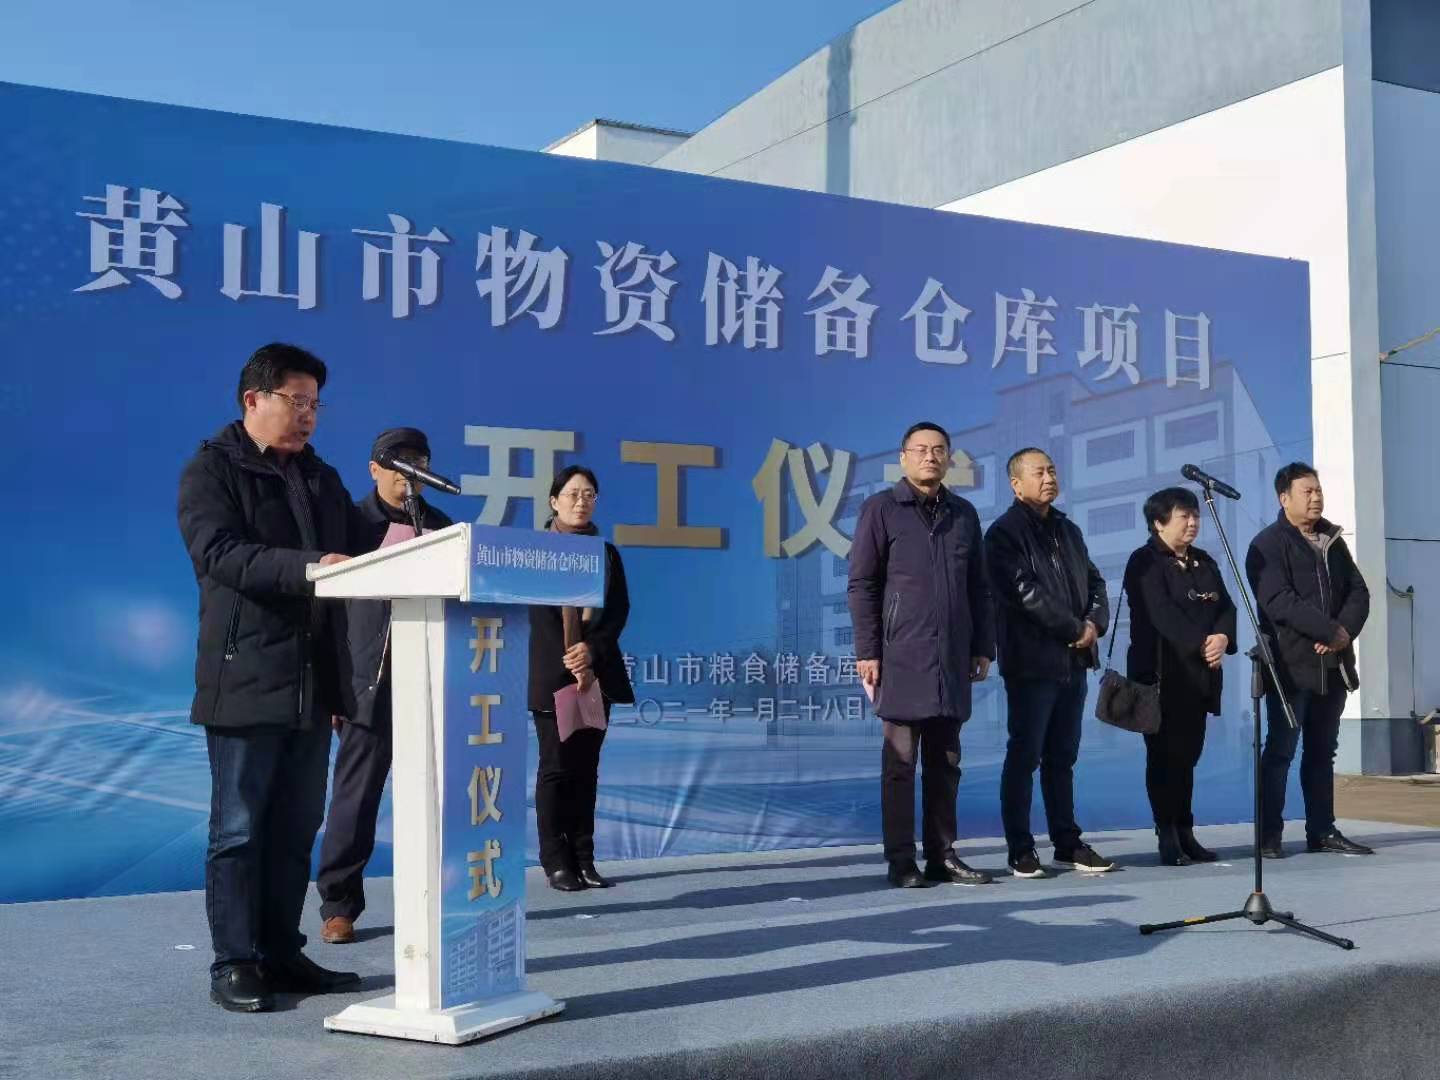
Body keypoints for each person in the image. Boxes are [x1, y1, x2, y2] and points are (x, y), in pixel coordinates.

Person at [176, 342, 365, 1013]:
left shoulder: (321, 477)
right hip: (245, 678)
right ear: (253, 399)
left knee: (294, 828)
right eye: (297, 400)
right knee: (238, 830)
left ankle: (282, 951)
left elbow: (361, 549)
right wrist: (311, 567)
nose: (308, 414)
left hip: (311, 686)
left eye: (315, 403)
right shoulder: (212, 470)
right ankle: (234, 961)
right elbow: (221, 554)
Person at [316, 428, 454, 945]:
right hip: (366, 681)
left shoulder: (442, 528)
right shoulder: (351, 524)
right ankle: (339, 905)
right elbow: (328, 612)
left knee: (439, 795)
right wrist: (334, 685)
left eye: (419, 461)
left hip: (431, 680)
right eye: (398, 462)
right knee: (355, 798)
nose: (408, 472)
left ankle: (439, 896)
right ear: (374, 469)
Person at [848, 422, 995, 889]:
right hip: (901, 655)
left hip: (952, 657)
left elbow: (979, 586)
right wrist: (868, 650)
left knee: (945, 763)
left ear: (949, 458)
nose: (930, 456)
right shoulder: (881, 509)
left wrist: (982, 645)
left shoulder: (963, 514)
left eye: (939, 450)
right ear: (903, 457)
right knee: (899, 765)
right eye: (921, 449)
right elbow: (862, 584)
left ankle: (942, 855)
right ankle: (900, 860)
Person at [984, 448, 1114, 878]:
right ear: (1016, 483)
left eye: (1052, 470)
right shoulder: (1003, 534)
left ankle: (1067, 843)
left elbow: (1095, 582)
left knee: (1063, 758)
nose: (1049, 478)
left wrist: (1094, 623)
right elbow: (1023, 593)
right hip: (1032, 663)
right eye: (1039, 472)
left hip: (1074, 661)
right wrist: (1073, 628)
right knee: (1025, 757)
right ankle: (1020, 849)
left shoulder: (1068, 529)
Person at [1246, 462, 1372, 858]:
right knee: (1281, 751)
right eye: (1308, 491)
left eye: (1318, 490)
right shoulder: (1267, 545)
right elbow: (1278, 601)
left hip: (1333, 665)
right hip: (1290, 667)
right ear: (1284, 498)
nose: (1316, 498)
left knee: (1322, 753)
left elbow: (1359, 592)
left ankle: (1322, 831)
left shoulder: (1332, 540)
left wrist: (1342, 633)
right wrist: (1326, 630)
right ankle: (1269, 835)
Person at [527, 466, 635, 891]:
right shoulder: (533, 553)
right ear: (554, 501)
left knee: (586, 770)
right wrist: (569, 654)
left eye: (589, 494)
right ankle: (556, 861)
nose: (581, 501)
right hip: (553, 675)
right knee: (556, 769)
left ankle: (584, 858)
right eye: (572, 493)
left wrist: (591, 649)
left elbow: (618, 610)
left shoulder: (606, 554)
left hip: (595, 675)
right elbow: (535, 616)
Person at [1122, 487, 1237, 865]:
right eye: (1183, 516)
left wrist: (1222, 637)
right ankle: (1167, 833)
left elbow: (1226, 607)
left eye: (1195, 515)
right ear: (1158, 523)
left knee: (1188, 757)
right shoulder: (1144, 561)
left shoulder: (1204, 561)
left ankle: (1186, 831)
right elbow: (1161, 615)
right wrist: (1202, 644)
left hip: (1199, 677)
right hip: (1160, 677)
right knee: (1163, 758)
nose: (1192, 522)